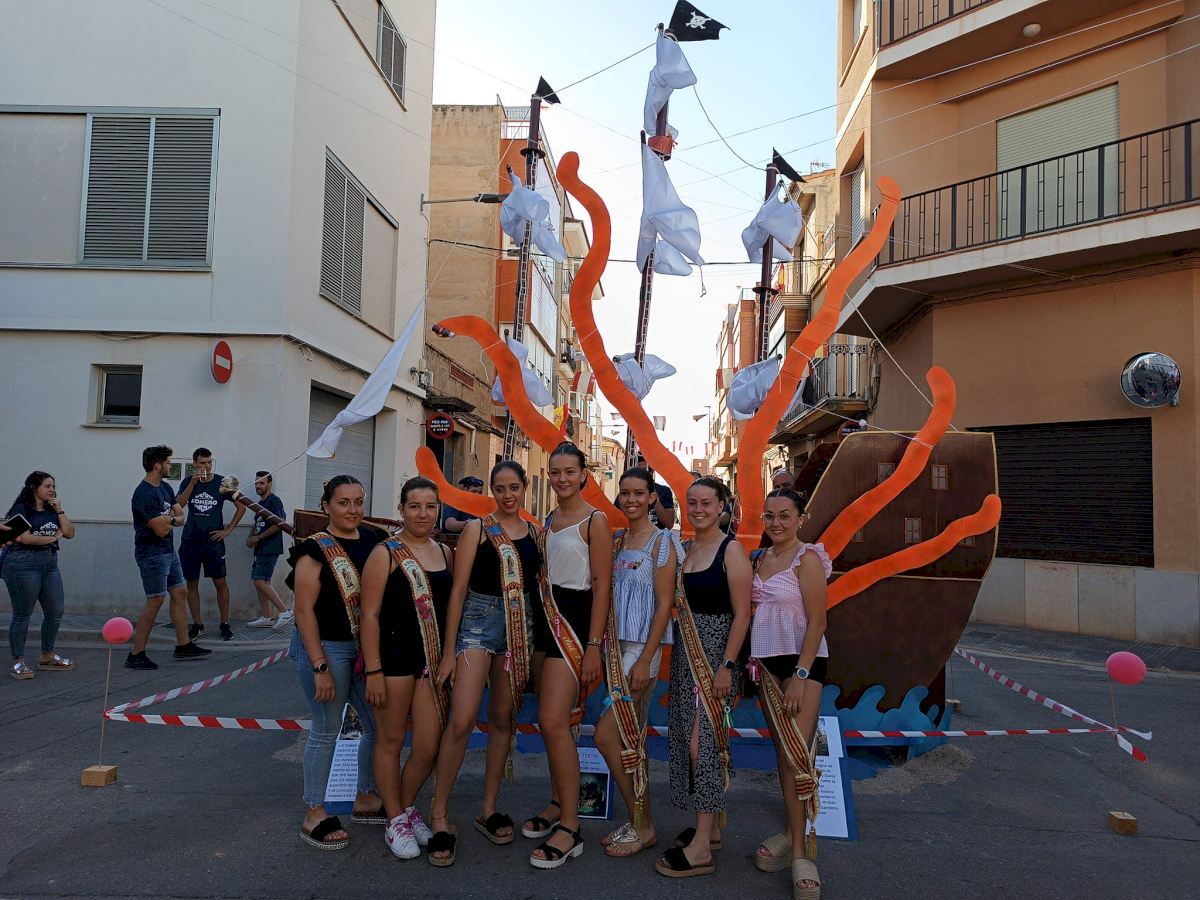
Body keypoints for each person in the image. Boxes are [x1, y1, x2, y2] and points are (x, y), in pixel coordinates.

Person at [427, 460, 540, 867]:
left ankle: (488, 808)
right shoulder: (477, 529)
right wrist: (448, 652)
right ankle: (439, 813)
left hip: (518, 628)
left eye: (514, 487)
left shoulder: (535, 533)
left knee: (503, 719)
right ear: (492, 491)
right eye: (500, 488)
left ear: (525, 488)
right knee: (461, 721)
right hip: (477, 624)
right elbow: (457, 591)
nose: (508, 495)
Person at [521, 443, 612, 869]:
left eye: (569, 472)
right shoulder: (548, 519)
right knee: (556, 726)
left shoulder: (596, 521)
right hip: (545, 623)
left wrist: (593, 645)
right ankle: (559, 802)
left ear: (583, 475)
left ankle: (571, 828)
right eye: (555, 472)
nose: (561, 479)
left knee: (554, 721)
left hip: (573, 625)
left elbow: (602, 585)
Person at [656, 476, 751, 879]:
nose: (698, 509)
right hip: (686, 658)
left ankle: (700, 852)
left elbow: (742, 614)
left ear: (722, 506)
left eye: (706, 502)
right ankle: (707, 831)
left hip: (716, 661)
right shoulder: (687, 548)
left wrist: (727, 666)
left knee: (704, 747)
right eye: (692, 502)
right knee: (688, 741)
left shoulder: (732, 551)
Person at [287, 475, 385, 851]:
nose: (353, 509)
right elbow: (303, 611)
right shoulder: (314, 550)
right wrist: (319, 666)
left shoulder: (374, 540)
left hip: (363, 649)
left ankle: (366, 795)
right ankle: (314, 811)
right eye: (343, 502)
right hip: (327, 649)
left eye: (358, 501)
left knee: (376, 725)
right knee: (327, 730)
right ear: (326, 506)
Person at [360, 476, 453, 860]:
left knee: (428, 746)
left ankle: (405, 805)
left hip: (431, 661)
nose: (423, 514)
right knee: (391, 741)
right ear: (401, 509)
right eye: (414, 506)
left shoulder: (445, 552)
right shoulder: (385, 553)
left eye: (430, 506)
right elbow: (368, 615)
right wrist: (373, 670)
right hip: (393, 659)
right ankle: (396, 819)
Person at [751, 488, 830, 900]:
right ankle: (790, 831)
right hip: (766, 665)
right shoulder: (759, 559)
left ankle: (800, 853)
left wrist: (800, 674)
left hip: (803, 664)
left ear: (801, 518)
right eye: (770, 515)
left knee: (798, 757)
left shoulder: (808, 558)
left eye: (785, 515)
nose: (776, 523)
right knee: (783, 754)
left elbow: (818, 622)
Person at [594, 466, 678, 857]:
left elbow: (664, 605)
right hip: (614, 648)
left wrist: (645, 660)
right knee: (631, 740)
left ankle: (643, 825)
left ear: (651, 498)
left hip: (641, 651)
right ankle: (638, 820)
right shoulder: (617, 541)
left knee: (607, 736)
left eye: (638, 493)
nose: (631, 500)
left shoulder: (663, 543)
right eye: (625, 493)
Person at [127, 446, 211, 670]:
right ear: (157, 465)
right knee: (155, 600)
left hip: (168, 551)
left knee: (180, 592)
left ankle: (183, 645)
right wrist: (171, 520)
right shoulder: (144, 493)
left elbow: (180, 515)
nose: (170, 466)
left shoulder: (164, 487)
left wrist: (169, 519)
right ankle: (136, 654)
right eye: (167, 462)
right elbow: (161, 530)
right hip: (151, 553)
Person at [4, 471, 75, 679]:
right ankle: (18, 661)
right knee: (22, 614)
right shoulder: (21, 509)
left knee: (55, 611)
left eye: (53, 486)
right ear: (34, 488)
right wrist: (54, 537)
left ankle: (47, 655)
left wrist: (60, 511)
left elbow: (70, 532)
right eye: (47, 486)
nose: (52, 490)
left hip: (50, 564)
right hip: (23, 564)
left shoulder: (52, 510)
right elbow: (25, 538)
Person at [177, 448, 245, 641]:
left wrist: (228, 530)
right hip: (191, 540)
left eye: (209, 462)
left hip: (214, 542)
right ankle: (197, 624)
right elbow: (179, 505)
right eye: (202, 463)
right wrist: (192, 483)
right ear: (194, 464)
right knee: (191, 582)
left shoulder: (222, 483)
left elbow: (242, 506)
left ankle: (225, 624)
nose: (207, 466)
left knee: (220, 582)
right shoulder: (188, 481)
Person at [245, 471, 292, 628]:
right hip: (260, 548)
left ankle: (285, 611)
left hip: (269, 547)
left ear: (269, 484)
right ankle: (266, 617)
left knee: (260, 581)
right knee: (260, 582)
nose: (258, 486)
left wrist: (259, 537)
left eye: (262, 483)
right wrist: (251, 537)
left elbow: (280, 522)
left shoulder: (274, 501)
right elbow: (257, 522)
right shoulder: (260, 503)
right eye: (256, 483)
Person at [633, 453, 676, 530]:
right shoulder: (628, 492)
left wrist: (655, 499)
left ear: (653, 470)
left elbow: (669, 524)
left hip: (659, 535)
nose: (645, 474)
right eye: (641, 471)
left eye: (649, 469)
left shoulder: (664, 490)